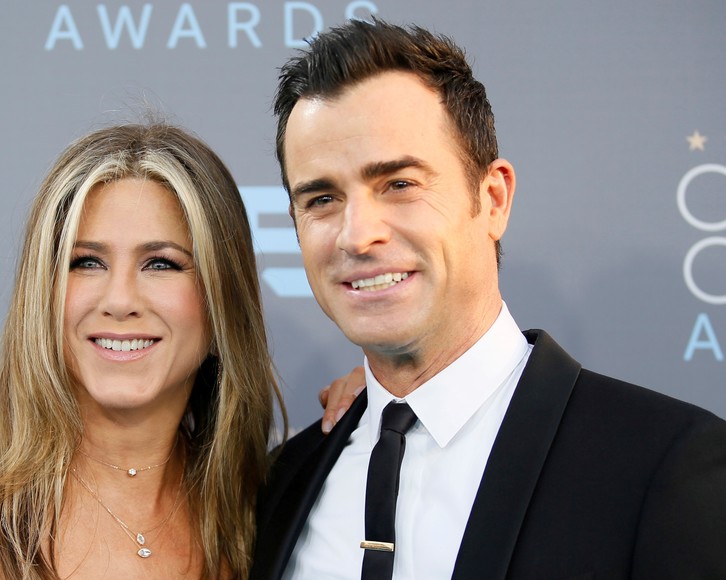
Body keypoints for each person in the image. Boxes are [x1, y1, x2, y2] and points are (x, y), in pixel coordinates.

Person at [253, 19, 726, 579]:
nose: (358, 235)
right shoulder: (280, 484)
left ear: (494, 198)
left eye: (399, 184)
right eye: (322, 198)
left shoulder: (663, 465)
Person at [0, 122, 361, 579]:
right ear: (45, 293)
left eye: (162, 264)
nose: (120, 300)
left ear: (221, 302)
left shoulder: (267, 508)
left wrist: (380, 400)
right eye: (87, 262)